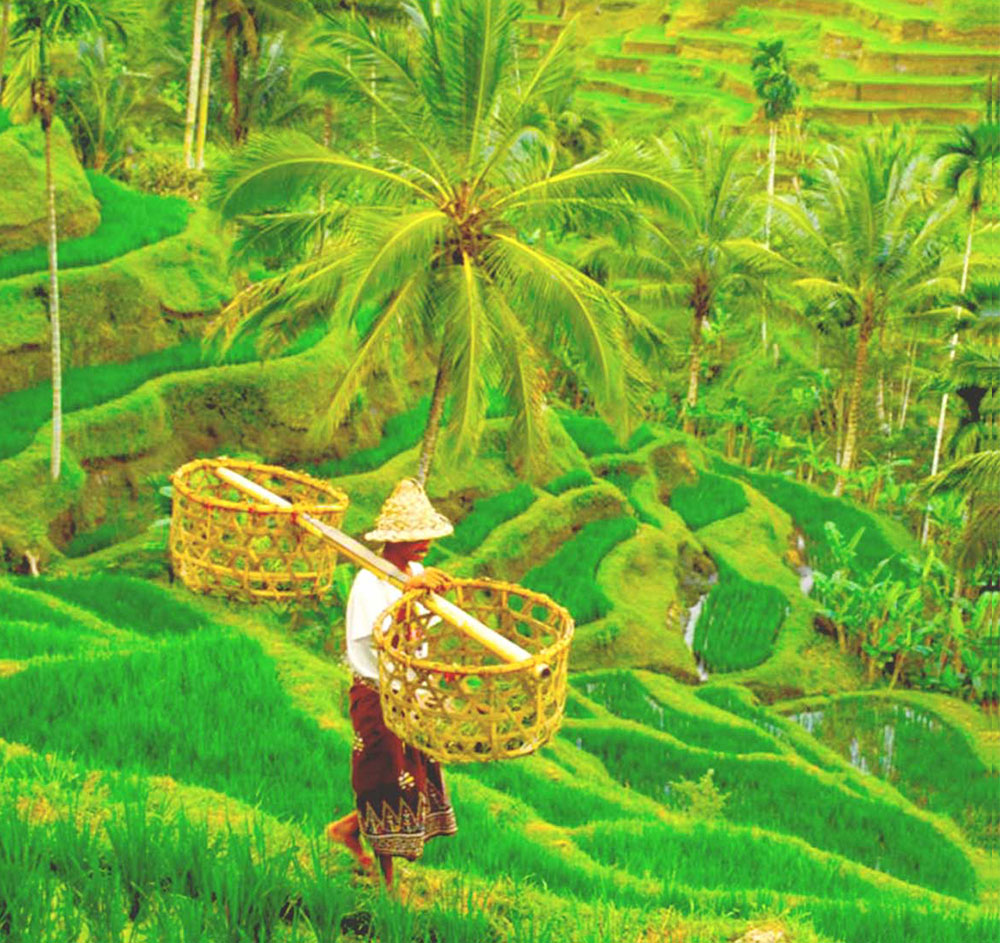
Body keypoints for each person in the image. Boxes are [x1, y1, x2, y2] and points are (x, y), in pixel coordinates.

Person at [326, 478, 458, 890]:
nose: (424, 545)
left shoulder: (414, 572)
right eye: (416, 538)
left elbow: (424, 630)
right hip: (377, 694)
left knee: (411, 778)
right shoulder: (370, 582)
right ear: (392, 542)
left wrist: (439, 667)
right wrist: (409, 597)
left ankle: (347, 829)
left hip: (409, 695)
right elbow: (385, 639)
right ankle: (386, 885)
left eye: (427, 537)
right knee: (383, 779)